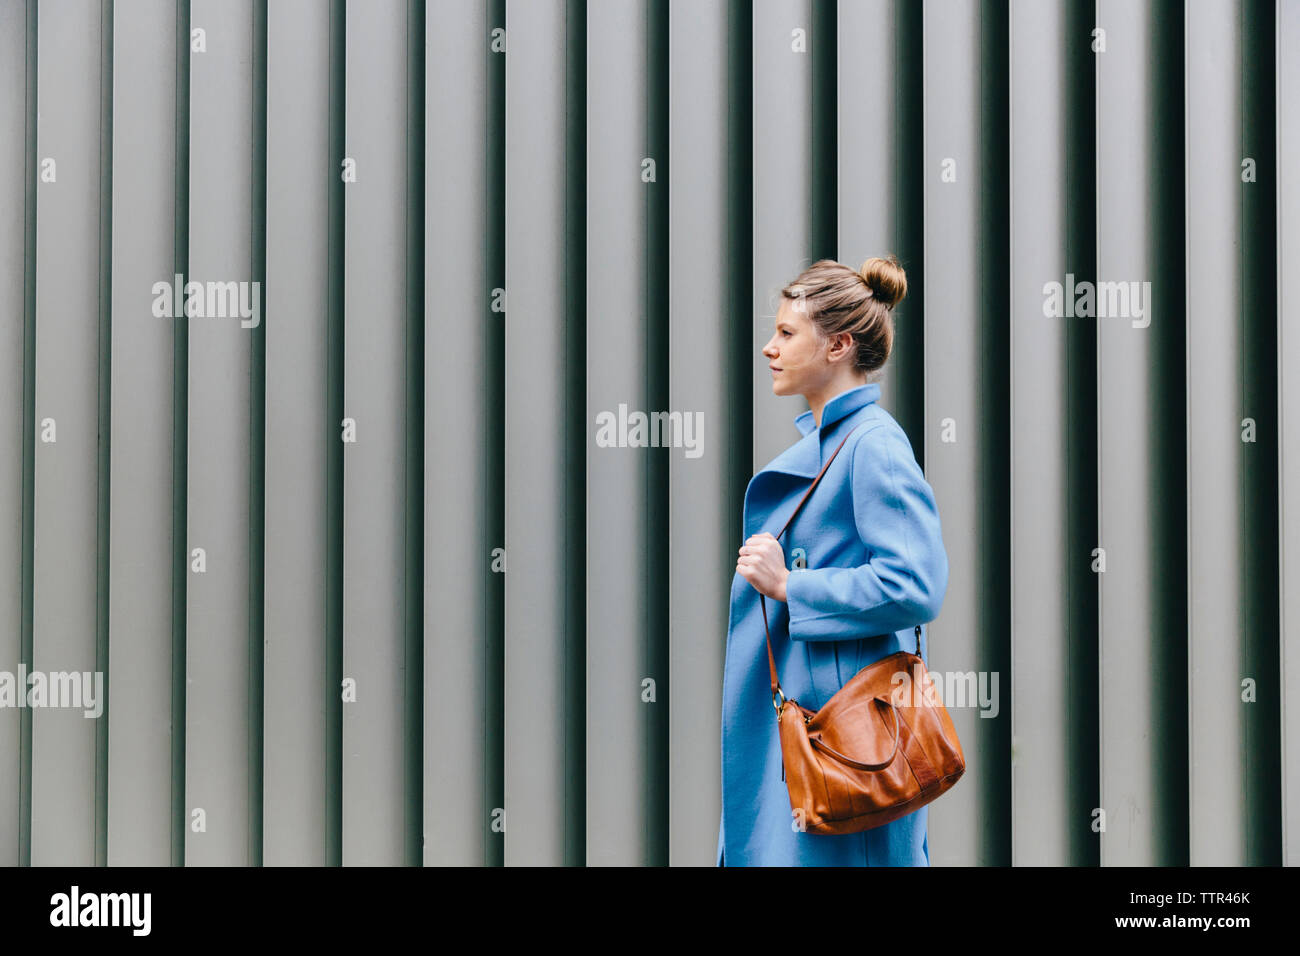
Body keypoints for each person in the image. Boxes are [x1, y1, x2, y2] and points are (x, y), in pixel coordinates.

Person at [717, 255, 948, 866]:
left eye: (788, 334)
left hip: (848, 742)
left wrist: (793, 585)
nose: (769, 347)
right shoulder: (832, 445)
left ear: (839, 345)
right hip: (815, 728)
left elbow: (917, 583)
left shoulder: (872, 444)